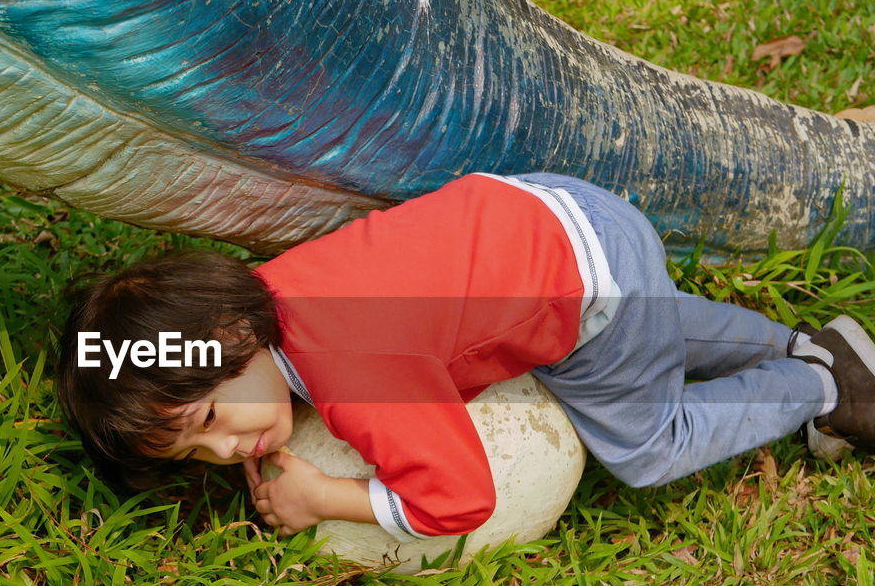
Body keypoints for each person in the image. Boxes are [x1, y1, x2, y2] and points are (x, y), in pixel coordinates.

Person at [56, 173, 875, 541]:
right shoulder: (271, 293)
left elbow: (458, 498)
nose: (224, 450)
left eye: (207, 422)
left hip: (584, 294)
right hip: (558, 211)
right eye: (198, 454)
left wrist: (323, 498)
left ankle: (820, 384)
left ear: (232, 341)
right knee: (653, 326)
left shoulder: (354, 376)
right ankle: (807, 341)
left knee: (647, 443)